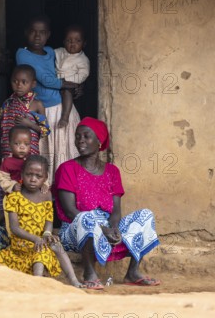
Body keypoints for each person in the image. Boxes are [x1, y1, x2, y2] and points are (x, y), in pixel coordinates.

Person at [55, 117, 160, 290]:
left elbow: (116, 210)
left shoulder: (112, 171)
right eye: (77, 136)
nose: (80, 140)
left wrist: (114, 229)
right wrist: (102, 229)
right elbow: (70, 211)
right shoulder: (67, 169)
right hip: (76, 230)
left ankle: (133, 272)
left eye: (86, 136)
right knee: (84, 217)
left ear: (99, 141)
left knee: (145, 215)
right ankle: (89, 273)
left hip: (107, 227)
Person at [0, 155, 84, 288]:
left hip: (41, 240)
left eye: (38, 176)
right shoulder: (14, 197)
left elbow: (49, 220)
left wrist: (47, 233)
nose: (33, 179)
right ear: (22, 174)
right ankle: (38, 284)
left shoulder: (46, 195)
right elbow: (15, 228)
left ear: (45, 178)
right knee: (41, 251)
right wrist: (35, 239)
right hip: (22, 244)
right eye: (29, 174)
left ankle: (74, 281)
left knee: (56, 246)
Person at [16, 16, 81, 184]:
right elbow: (45, 79)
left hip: (62, 110)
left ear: (49, 35)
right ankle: (45, 196)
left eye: (43, 32)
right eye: (33, 31)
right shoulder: (22, 54)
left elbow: (67, 69)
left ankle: (66, 192)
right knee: (45, 154)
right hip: (41, 112)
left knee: (64, 152)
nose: (37, 36)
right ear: (25, 33)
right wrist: (70, 85)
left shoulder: (52, 52)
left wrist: (79, 84)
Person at [0, 65, 50, 158]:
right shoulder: (7, 103)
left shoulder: (37, 104)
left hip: (29, 154)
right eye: (15, 81)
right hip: (8, 153)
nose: (19, 85)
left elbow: (45, 130)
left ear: (33, 84)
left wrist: (29, 124)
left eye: (24, 82)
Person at [55, 25, 90, 129]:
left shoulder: (83, 59)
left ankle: (65, 117)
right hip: (56, 82)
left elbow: (83, 74)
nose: (72, 44)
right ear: (64, 42)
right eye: (68, 40)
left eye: (77, 41)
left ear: (84, 43)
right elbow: (48, 55)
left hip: (70, 84)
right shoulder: (60, 52)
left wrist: (69, 82)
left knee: (67, 93)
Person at [0, 126, 49, 195]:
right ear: (9, 145)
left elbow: (43, 173)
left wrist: (44, 184)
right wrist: (12, 186)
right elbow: (2, 179)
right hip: (15, 194)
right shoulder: (7, 162)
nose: (22, 147)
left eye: (26, 144)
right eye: (17, 144)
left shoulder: (33, 160)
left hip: (32, 193)